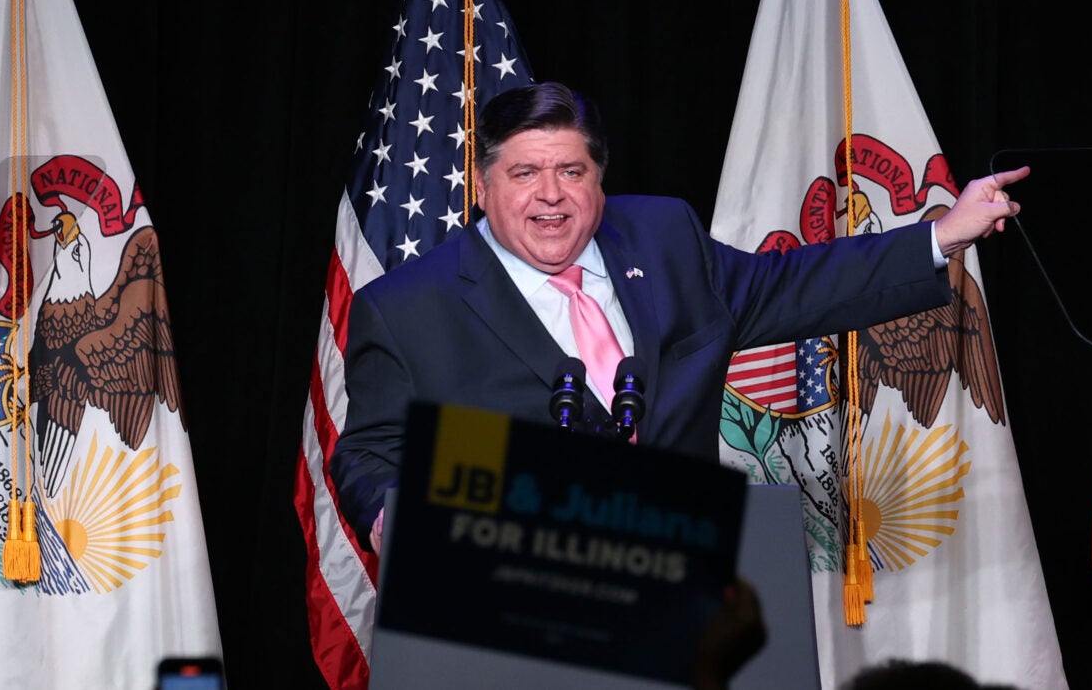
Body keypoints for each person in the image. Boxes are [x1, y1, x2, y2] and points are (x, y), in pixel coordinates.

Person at [328, 82, 1025, 544]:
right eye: (524, 173)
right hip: (514, 599)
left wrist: (941, 235)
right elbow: (368, 451)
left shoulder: (664, 240)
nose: (551, 195)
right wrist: (392, 513)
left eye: (571, 171)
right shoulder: (406, 308)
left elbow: (794, 284)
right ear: (483, 187)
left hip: (678, 584)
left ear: (600, 180)